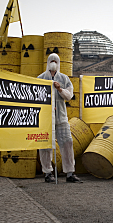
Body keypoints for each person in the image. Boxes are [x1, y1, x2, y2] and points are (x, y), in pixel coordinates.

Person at [37, 53, 81, 183]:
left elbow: (69, 96)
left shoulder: (64, 78)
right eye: (51, 60)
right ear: (47, 62)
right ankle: (47, 173)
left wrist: (59, 89)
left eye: (55, 61)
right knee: (45, 146)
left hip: (61, 118)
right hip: (46, 119)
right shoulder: (40, 78)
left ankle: (70, 173)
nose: (53, 63)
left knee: (67, 143)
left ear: (59, 63)